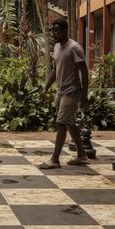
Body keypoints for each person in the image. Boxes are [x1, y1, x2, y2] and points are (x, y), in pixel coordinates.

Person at [39, 18, 89, 169]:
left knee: (61, 124)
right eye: (53, 32)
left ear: (65, 30)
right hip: (60, 91)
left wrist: (84, 95)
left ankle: (55, 159)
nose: (55, 35)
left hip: (72, 91)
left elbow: (84, 72)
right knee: (69, 123)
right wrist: (46, 88)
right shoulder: (56, 46)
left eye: (58, 32)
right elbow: (56, 69)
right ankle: (81, 154)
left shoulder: (75, 48)